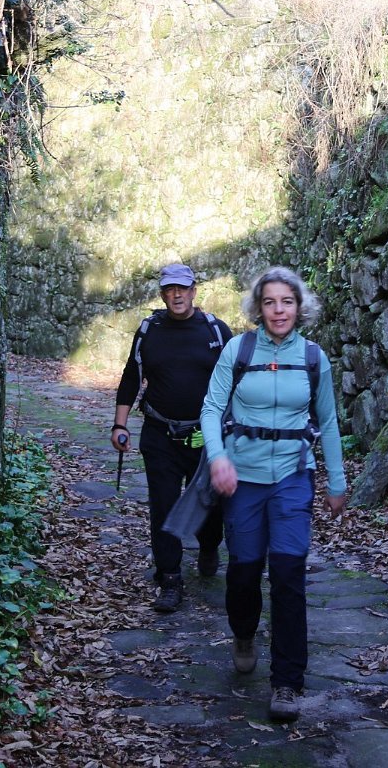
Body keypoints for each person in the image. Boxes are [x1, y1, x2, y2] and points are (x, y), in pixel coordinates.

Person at [201, 267, 347, 723]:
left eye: (287, 302)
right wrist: (218, 458)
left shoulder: (313, 358)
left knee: (288, 573)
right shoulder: (238, 350)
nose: (279, 310)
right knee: (244, 572)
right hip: (241, 478)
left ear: (299, 307)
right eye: (270, 302)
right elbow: (211, 408)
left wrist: (337, 482)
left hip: (292, 477)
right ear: (258, 308)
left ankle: (287, 681)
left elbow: (328, 422)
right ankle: (244, 632)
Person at [112, 263, 234, 613]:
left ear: (194, 291)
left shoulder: (216, 331)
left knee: (209, 506)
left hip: (205, 437)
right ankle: (170, 578)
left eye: (182, 288)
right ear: (163, 294)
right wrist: (119, 426)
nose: (177, 295)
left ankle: (209, 546)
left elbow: (235, 381)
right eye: (170, 289)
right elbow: (131, 376)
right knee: (163, 506)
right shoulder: (149, 330)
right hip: (160, 433)